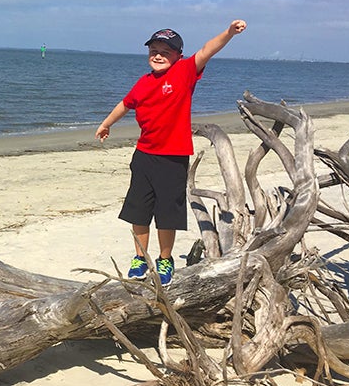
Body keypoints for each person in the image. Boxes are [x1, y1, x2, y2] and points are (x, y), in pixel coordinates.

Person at [95, 20, 247, 286]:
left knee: (167, 214)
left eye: (165, 51)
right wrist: (107, 123)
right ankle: (140, 258)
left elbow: (207, 50)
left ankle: (165, 259)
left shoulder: (184, 73)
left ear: (178, 56)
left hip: (173, 158)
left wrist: (229, 33)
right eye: (153, 50)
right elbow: (125, 104)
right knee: (137, 212)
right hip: (143, 156)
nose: (158, 55)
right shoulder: (143, 83)